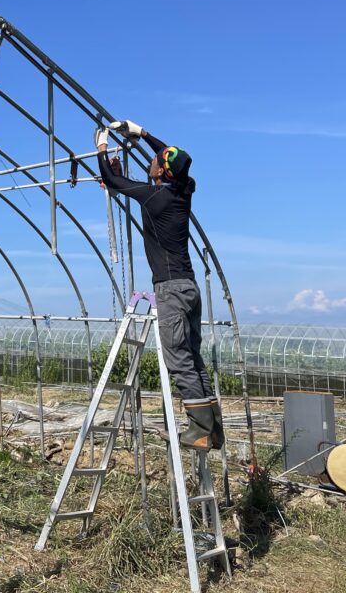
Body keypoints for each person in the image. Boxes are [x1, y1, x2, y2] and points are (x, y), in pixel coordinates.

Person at [95, 119, 223, 451]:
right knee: (192, 358)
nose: (151, 160)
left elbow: (112, 179)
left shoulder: (157, 199)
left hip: (170, 291)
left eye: (156, 160)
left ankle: (200, 430)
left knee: (178, 360)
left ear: (162, 173)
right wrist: (144, 134)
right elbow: (169, 160)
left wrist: (102, 146)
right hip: (188, 287)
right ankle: (212, 427)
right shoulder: (183, 189)